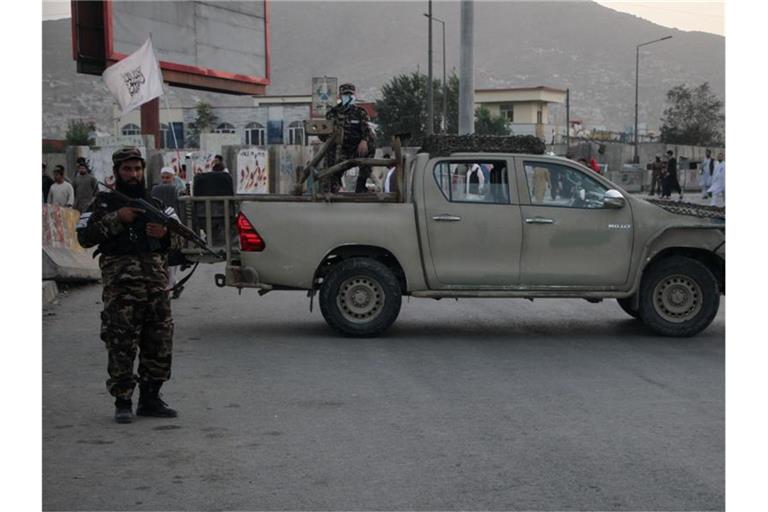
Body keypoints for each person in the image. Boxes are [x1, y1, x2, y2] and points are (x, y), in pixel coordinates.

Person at [76, 146, 178, 424]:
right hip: (121, 291)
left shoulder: (156, 204)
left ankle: (150, 398)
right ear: (117, 172)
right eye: (127, 169)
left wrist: (165, 234)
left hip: (156, 289)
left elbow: (182, 241)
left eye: (137, 169)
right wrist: (117, 219)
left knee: (159, 342)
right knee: (120, 342)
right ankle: (123, 400)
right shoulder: (103, 203)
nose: (133, 174)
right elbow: (84, 237)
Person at [323, 83, 376, 193]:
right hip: (339, 150)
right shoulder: (332, 113)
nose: (348, 96)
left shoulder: (360, 113)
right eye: (345, 94)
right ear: (340, 96)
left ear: (354, 95)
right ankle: (335, 185)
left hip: (355, 149)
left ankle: (361, 185)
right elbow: (325, 134)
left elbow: (367, 129)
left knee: (371, 144)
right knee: (328, 154)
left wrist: (364, 140)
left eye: (350, 94)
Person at [152, 167, 184, 299]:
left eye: (168, 177)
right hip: (159, 229)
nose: (165, 180)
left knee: (172, 266)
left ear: (173, 177)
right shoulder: (156, 191)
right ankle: (175, 285)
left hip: (174, 230)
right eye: (163, 177)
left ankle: (170, 289)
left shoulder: (179, 190)